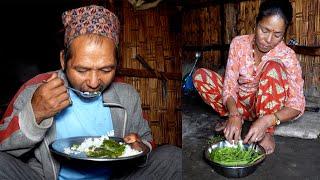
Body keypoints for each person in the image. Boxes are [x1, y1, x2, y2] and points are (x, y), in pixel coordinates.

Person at [0, 5, 181, 180]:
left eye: (106, 69)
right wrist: (35, 114)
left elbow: (146, 139)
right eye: (82, 70)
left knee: (173, 157)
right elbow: (4, 148)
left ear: (117, 63)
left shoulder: (127, 96)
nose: (94, 83)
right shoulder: (36, 92)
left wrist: (142, 147)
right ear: (63, 60)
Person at [193, 0, 305, 155]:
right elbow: (230, 85)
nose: (268, 39)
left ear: (284, 33)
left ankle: (265, 132)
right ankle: (237, 119)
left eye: (277, 34)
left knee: (274, 68)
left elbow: (297, 105)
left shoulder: (287, 56)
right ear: (256, 23)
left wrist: (268, 121)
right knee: (201, 77)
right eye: (264, 30)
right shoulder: (239, 44)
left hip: (268, 108)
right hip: (240, 105)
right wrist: (234, 114)